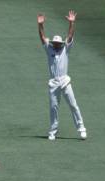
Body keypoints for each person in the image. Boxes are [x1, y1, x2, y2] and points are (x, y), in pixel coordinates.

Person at [38, 11, 87, 141]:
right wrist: (40, 25)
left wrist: (71, 22)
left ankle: (81, 128)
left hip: (65, 81)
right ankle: (53, 131)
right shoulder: (49, 49)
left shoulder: (66, 48)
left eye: (59, 43)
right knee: (53, 107)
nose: (57, 44)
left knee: (73, 104)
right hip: (53, 83)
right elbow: (42, 37)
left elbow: (70, 35)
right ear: (53, 43)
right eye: (55, 43)